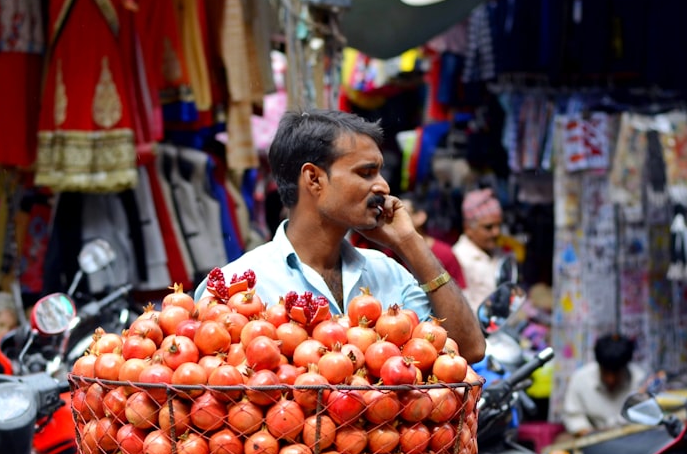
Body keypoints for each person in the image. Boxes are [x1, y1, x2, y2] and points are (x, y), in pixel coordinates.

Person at [195, 109, 485, 364]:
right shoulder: (235, 287)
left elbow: (469, 350)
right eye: (366, 173)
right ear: (314, 179)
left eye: (379, 172)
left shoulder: (387, 273)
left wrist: (409, 241)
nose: (383, 186)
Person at [560, 333, 648, 437]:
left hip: (632, 441)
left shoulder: (640, 381)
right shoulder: (581, 379)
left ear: (625, 367)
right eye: (605, 372)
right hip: (592, 442)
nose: (610, 379)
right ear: (599, 365)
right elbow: (573, 417)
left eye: (616, 373)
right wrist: (587, 432)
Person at [452, 188, 505, 312]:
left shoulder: (497, 252)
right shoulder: (459, 258)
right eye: (488, 227)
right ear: (468, 228)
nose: (496, 232)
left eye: (499, 225)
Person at [404, 194, 466, 289]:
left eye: (403, 214)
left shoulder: (444, 254)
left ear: (420, 217)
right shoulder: (389, 254)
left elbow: (460, 293)